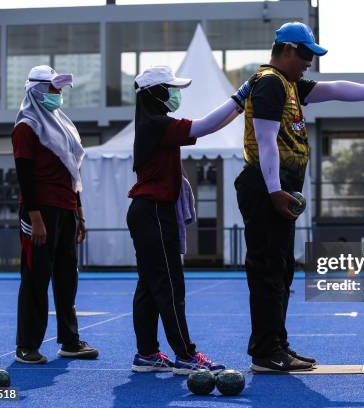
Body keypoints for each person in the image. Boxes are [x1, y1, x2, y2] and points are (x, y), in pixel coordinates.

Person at [235, 22, 364, 372]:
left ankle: (276, 345)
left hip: (278, 187)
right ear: (288, 49)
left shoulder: (287, 83)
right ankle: (265, 351)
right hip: (265, 187)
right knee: (268, 270)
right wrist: (275, 190)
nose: (309, 62)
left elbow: (336, 89)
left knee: (282, 269)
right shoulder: (270, 83)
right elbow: (265, 141)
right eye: (306, 55)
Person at [126, 65, 254, 375]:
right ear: (155, 93)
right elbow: (206, 125)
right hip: (154, 212)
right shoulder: (158, 124)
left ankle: (147, 353)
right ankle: (186, 355)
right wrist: (241, 96)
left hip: (148, 211)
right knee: (170, 286)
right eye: (170, 88)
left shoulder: (152, 124)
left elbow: (206, 127)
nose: (175, 94)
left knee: (149, 285)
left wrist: (239, 103)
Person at [12, 65, 98, 364]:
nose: (59, 94)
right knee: (35, 277)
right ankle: (27, 345)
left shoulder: (62, 124)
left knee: (67, 278)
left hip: (66, 208)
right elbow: (24, 174)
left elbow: (72, 171)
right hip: (40, 211)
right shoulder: (26, 126)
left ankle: (70, 341)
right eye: (53, 89)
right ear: (37, 90)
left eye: (60, 89)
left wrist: (80, 212)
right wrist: (35, 217)